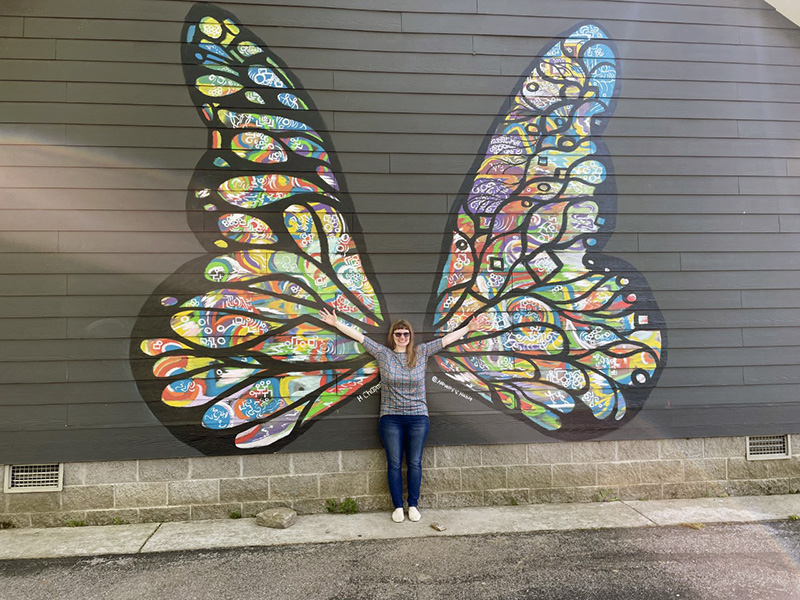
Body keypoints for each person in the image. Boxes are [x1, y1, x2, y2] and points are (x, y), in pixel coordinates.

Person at [319, 308, 482, 523]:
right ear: (393, 336)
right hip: (391, 418)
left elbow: (446, 340)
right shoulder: (383, 354)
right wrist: (336, 323)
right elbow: (359, 337)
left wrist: (469, 328)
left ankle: (413, 504)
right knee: (394, 463)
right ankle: (397, 506)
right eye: (398, 334)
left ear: (410, 336)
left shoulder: (421, 352)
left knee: (415, 462)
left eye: (406, 334)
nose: (402, 337)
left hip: (418, 418)